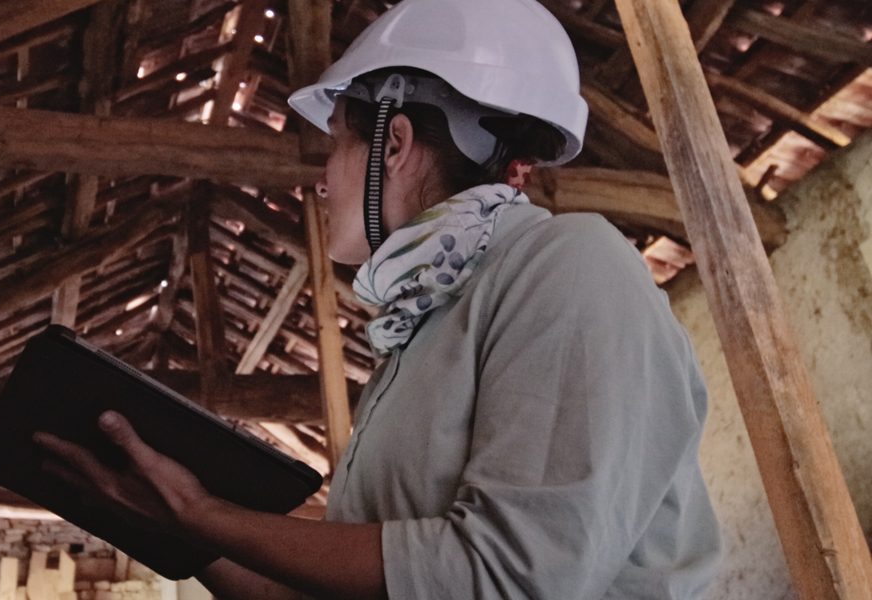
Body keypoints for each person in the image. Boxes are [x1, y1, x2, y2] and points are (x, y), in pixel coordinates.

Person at [35, 0, 723, 597]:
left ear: (392, 143)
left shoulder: (570, 264)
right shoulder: (424, 331)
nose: (322, 183)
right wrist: (169, 518)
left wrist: (207, 516)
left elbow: (505, 579)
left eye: (334, 147)